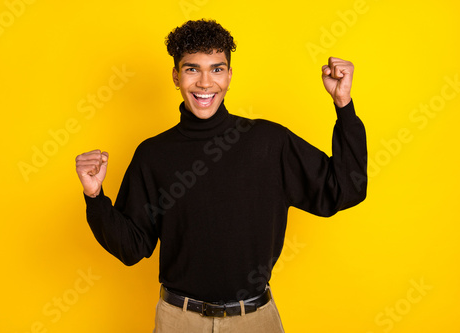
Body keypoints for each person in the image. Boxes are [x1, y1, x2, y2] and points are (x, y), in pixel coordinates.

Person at [75, 19, 367, 333]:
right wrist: (95, 198)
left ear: (229, 75)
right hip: (179, 320)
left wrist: (343, 105)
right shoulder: (153, 155)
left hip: (255, 320)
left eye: (216, 69)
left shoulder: (269, 142)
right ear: (176, 76)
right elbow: (132, 248)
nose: (204, 83)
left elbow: (345, 189)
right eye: (192, 69)